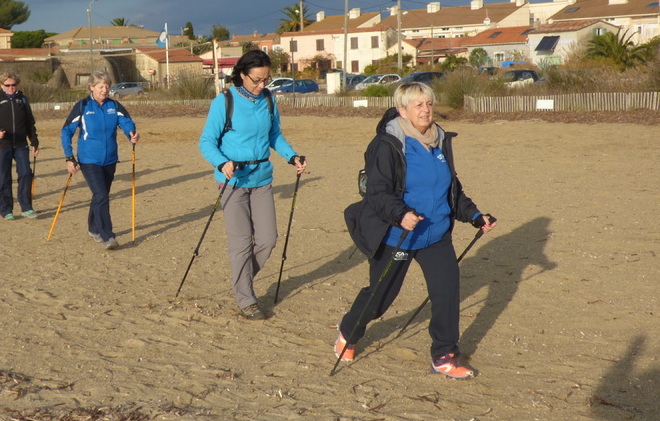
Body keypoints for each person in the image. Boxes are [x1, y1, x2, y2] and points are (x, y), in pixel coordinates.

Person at [340, 82, 497, 379]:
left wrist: (475, 215)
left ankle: (444, 355)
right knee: (380, 297)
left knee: (447, 292)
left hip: (435, 235)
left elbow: (451, 188)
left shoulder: (439, 140)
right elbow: (377, 191)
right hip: (398, 235)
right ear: (402, 110)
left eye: (429, 104)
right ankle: (349, 331)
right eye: (418, 105)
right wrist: (400, 214)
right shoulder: (387, 144)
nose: (426, 110)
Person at [199, 49, 306, 320]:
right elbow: (207, 142)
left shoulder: (268, 99)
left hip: (262, 179)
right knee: (242, 242)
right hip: (232, 180)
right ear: (242, 74)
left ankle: (241, 281)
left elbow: (274, 135)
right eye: (256, 80)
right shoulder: (224, 101)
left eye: (266, 79)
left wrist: (291, 156)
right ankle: (246, 299)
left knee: (268, 240)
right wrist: (222, 162)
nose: (261, 85)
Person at [60, 72, 139, 250]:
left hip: (110, 159)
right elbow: (66, 131)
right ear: (92, 87)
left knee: (100, 195)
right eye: (101, 86)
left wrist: (131, 133)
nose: (105, 90)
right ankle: (107, 235)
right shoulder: (82, 106)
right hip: (89, 159)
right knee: (102, 195)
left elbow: (126, 121)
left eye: (107, 86)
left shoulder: (114, 105)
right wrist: (69, 157)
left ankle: (93, 228)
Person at [0, 71, 41, 220]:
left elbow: (30, 123)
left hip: (21, 144)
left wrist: (34, 141)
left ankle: (26, 207)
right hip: (2, 144)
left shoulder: (22, 99)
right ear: (1, 85)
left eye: (13, 85)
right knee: (3, 177)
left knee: (26, 173)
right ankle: (6, 209)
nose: (11, 88)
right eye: (7, 85)